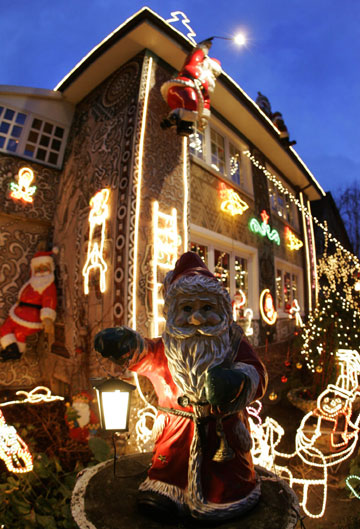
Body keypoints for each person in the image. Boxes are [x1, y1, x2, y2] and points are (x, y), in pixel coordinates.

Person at [94, 252, 267, 521]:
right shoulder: (168, 345)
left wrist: (237, 381)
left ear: (222, 309)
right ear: (174, 312)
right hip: (177, 429)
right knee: (171, 465)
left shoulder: (232, 342)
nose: (196, 318)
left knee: (225, 478)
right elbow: (146, 355)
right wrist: (125, 344)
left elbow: (257, 374)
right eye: (187, 309)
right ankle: (167, 492)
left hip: (223, 433)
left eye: (206, 309)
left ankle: (228, 496)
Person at [0, 250, 57, 361]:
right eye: (38, 268)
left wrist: (47, 318)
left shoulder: (48, 285)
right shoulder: (33, 281)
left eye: (44, 268)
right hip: (17, 313)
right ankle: (15, 352)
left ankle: (14, 352)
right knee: (6, 330)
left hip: (31, 318)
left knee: (19, 333)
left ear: (51, 268)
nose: (41, 271)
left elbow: (49, 301)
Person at [160, 39, 222, 136]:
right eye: (213, 71)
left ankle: (175, 119)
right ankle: (182, 123)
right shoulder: (196, 66)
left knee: (192, 103)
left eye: (215, 74)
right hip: (180, 89)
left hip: (179, 101)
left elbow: (206, 101)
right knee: (191, 101)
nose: (213, 75)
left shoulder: (207, 86)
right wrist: (203, 48)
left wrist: (204, 117)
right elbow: (196, 56)